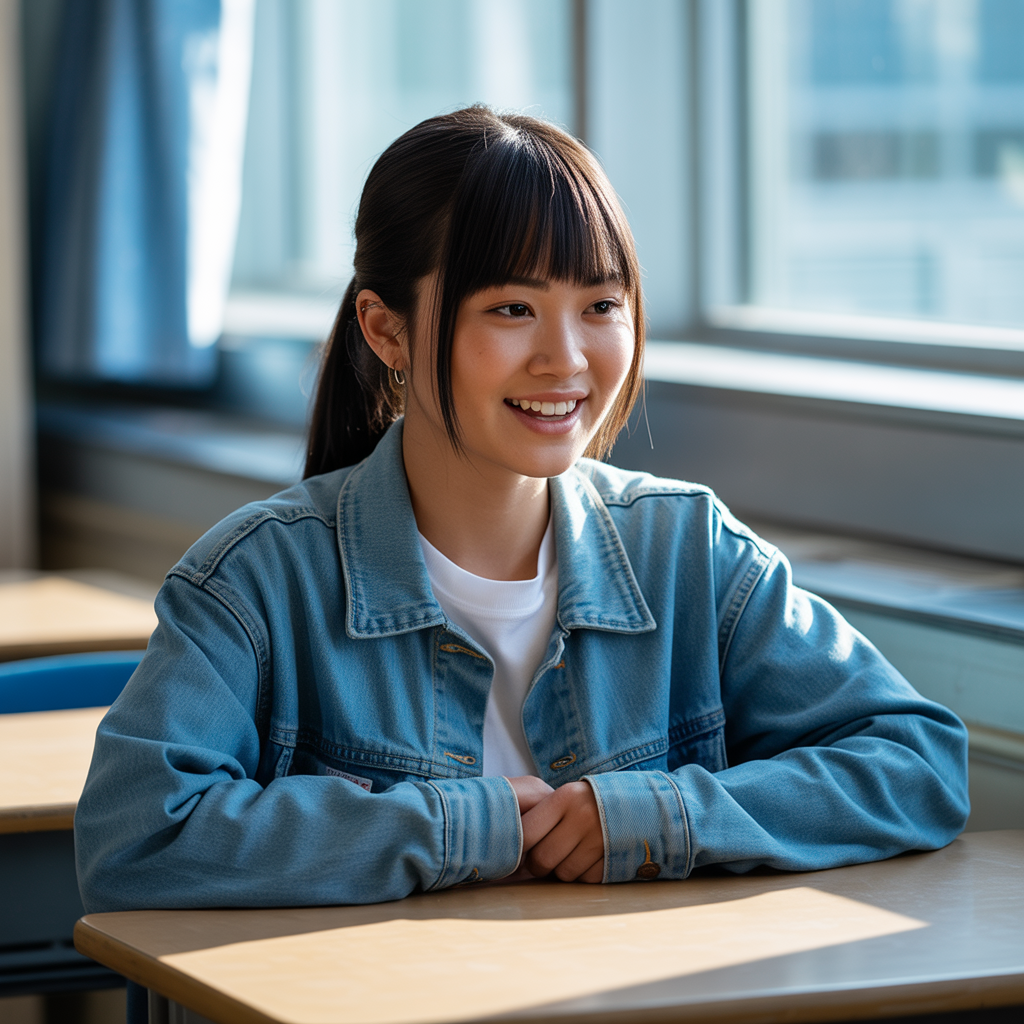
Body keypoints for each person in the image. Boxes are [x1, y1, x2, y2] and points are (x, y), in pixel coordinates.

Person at [75, 106, 969, 912]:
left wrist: (661, 814)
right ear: (386, 329)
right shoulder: (256, 580)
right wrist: (456, 828)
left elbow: (917, 764)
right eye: (511, 307)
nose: (566, 359)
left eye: (601, 306)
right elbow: (138, 836)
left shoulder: (689, 550)